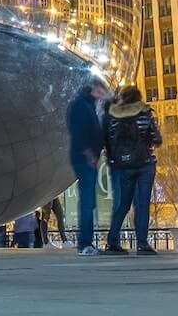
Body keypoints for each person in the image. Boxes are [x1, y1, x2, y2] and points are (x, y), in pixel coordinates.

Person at [102, 84, 161, 255]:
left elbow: (109, 141)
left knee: (123, 204)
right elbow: (156, 138)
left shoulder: (113, 116)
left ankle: (112, 241)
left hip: (123, 166)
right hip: (144, 164)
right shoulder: (144, 113)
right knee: (142, 204)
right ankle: (142, 244)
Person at [65, 79, 109, 255]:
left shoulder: (88, 105)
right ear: (93, 88)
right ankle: (84, 243)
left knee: (89, 201)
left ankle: (86, 242)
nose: (102, 95)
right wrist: (87, 151)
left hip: (88, 158)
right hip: (84, 158)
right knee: (87, 200)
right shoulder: (80, 105)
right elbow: (77, 129)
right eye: (100, 91)